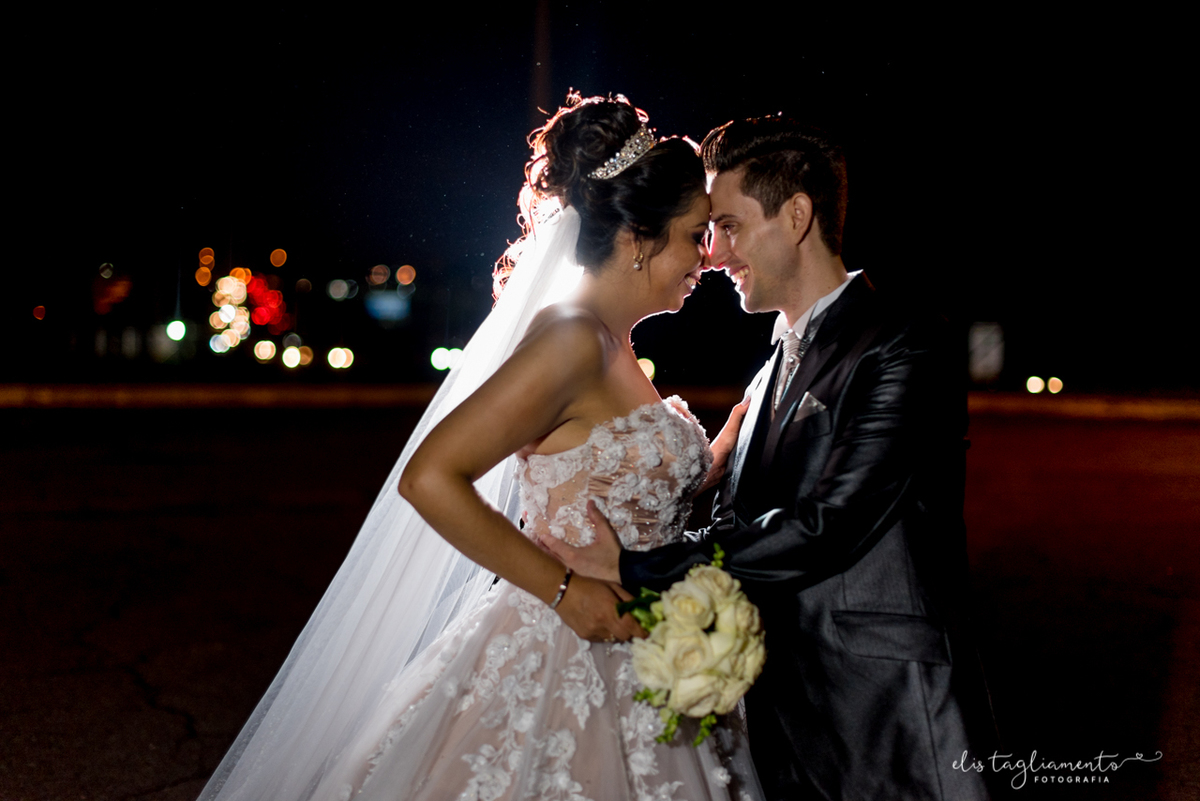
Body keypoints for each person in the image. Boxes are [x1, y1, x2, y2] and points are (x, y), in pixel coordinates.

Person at [197, 94, 762, 801]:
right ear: (640, 234)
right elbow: (431, 475)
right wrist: (565, 592)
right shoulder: (569, 341)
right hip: (565, 648)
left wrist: (720, 450)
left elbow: (620, 494)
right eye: (694, 235)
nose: (705, 259)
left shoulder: (614, 345)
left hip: (644, 651)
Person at [539, 117, 995, 800]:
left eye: (729, 225)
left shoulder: (902, 345)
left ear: (798, 215)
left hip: (889, 717)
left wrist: (637, 564)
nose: (715, 253)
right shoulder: (768, 369)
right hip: (780, 726)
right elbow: (747, 519)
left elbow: (829, 522)